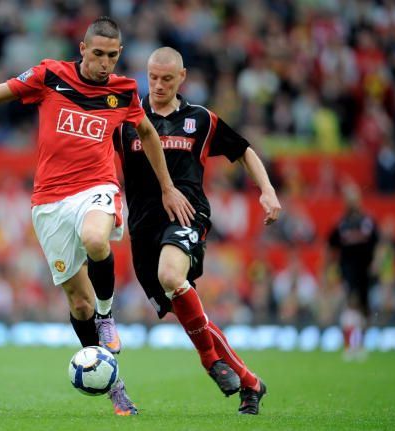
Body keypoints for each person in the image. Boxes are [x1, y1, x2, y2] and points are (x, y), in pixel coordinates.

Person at [0, 17, 194, 416]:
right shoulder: (49, 74)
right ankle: (113, 382)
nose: (106, 63)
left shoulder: (123, 92)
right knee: (78, 303)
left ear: (119, 55)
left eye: (113, 56)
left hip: (96, 187)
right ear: (83, 50)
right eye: (98, 54)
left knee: (97, 241)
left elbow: (148, 134)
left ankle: (108, 317)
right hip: (49, 203)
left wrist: (168, 186)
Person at [114, 47, 281, 415]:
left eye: (167, 79)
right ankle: (250, 382)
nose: (158, 85)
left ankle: (209, 362)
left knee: (171, 275)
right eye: (152, 77)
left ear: (183, 77)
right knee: (190, 316)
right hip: (143, 229)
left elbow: (243, 150)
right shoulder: (126, 120)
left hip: (187, 215)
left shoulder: (200, 120)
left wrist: (267, 190)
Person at [327, 183, 378, 360]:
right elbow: (331, 246)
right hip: (347, 270)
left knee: (364, 309)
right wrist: (329, 269)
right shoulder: (342, 223)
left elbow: (377, 245)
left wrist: (376, 263)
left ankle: (361, 345)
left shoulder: (367, 221)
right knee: (350, 304)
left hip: (365, 271)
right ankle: (349, 346)